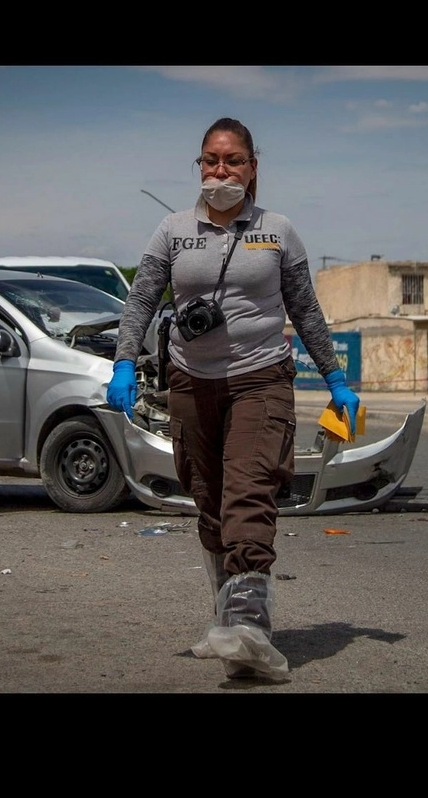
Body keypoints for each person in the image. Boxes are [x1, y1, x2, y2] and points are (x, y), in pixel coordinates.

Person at [107, 117, 360, 681]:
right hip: (192, 384)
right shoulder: (172, 230)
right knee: (209, 498)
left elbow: (306, 310)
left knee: (249, 492)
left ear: (253, 167)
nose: (220, 171)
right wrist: (125, 360)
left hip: (260, 378)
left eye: (233, 161)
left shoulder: (278, 231)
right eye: (210, 161)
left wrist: (336, 379)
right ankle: (232, 622)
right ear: (199, 166)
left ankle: (250, 625)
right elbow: (142, 301)